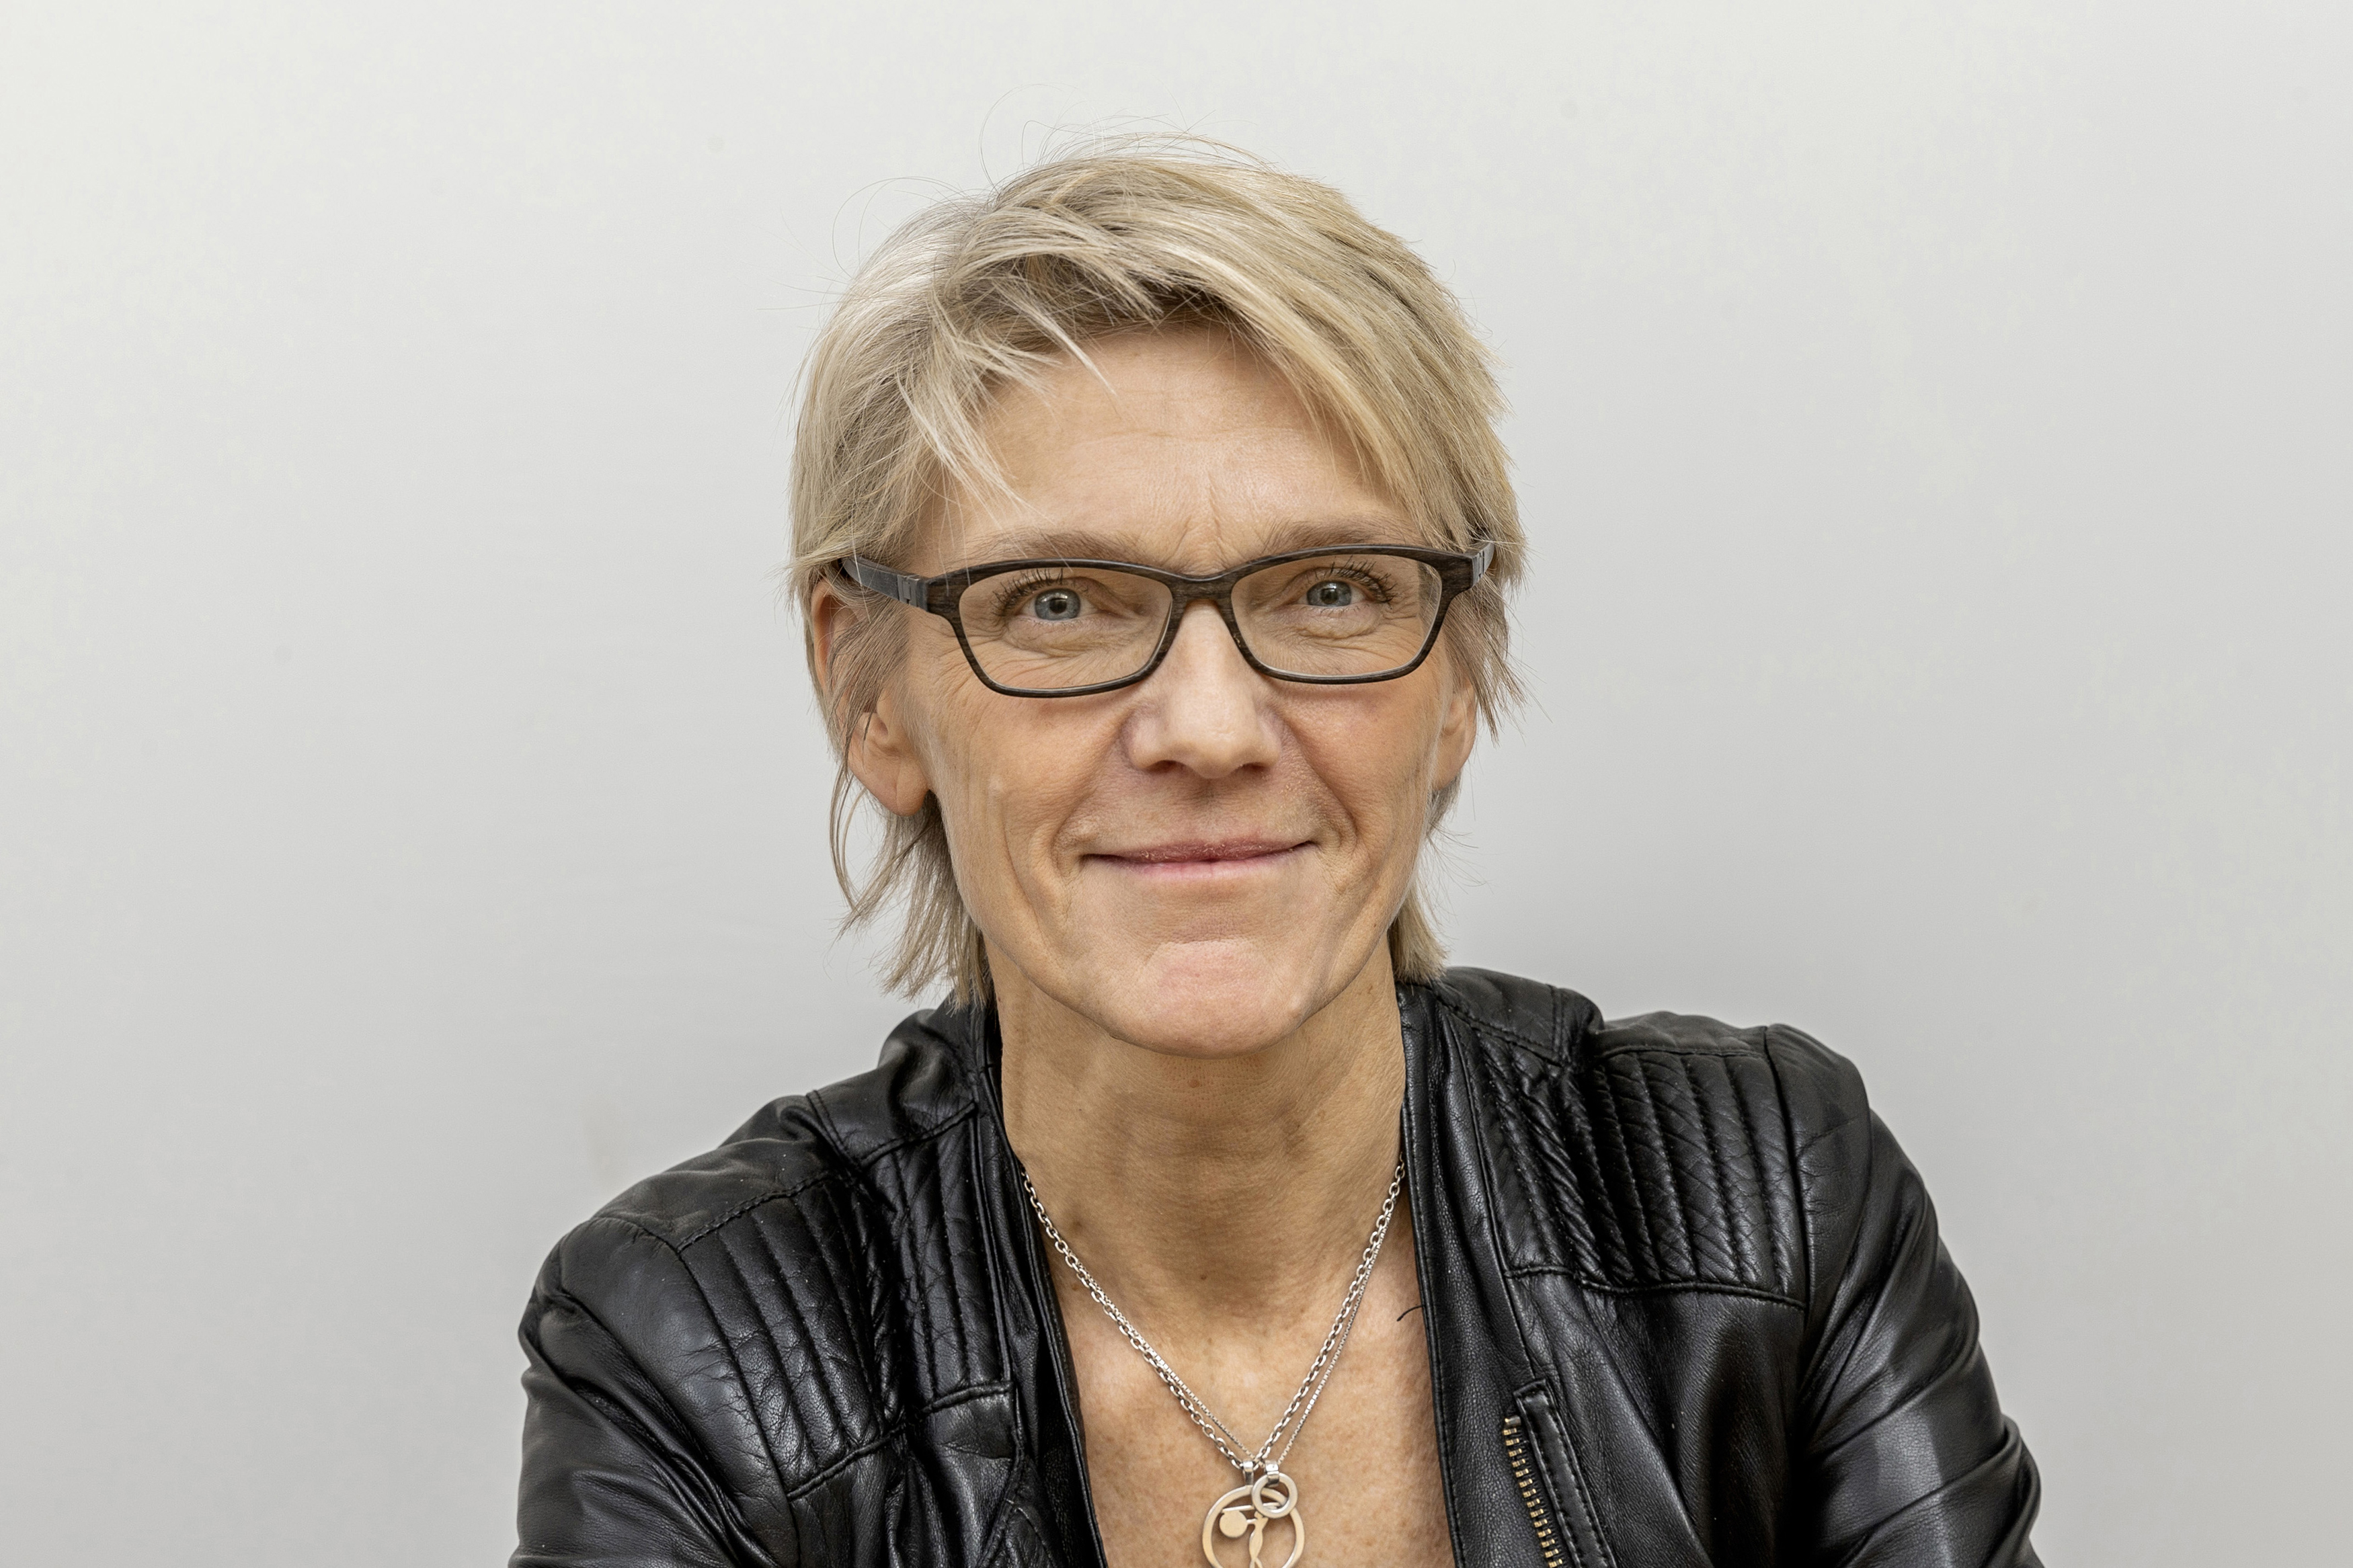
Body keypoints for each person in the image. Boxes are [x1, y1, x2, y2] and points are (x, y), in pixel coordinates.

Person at [512, 141, 2042, 1568]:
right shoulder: (693, 1348)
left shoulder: (1766, 1199)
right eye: (1060, 603)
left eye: (1329, 592)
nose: (1208, 727)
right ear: (870, 692)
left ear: (1460, 676)